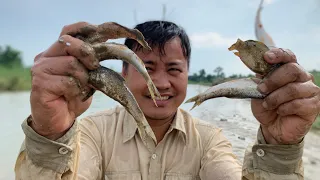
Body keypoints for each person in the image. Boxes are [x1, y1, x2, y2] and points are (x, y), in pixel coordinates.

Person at [14, 20, 319, 180]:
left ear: (188, 74)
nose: (160, 83)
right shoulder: (89, 134)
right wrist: (49, 133)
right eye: (146, 68)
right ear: (123, 69)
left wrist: (280, 148)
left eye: (174, 69)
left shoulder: (209, 141)